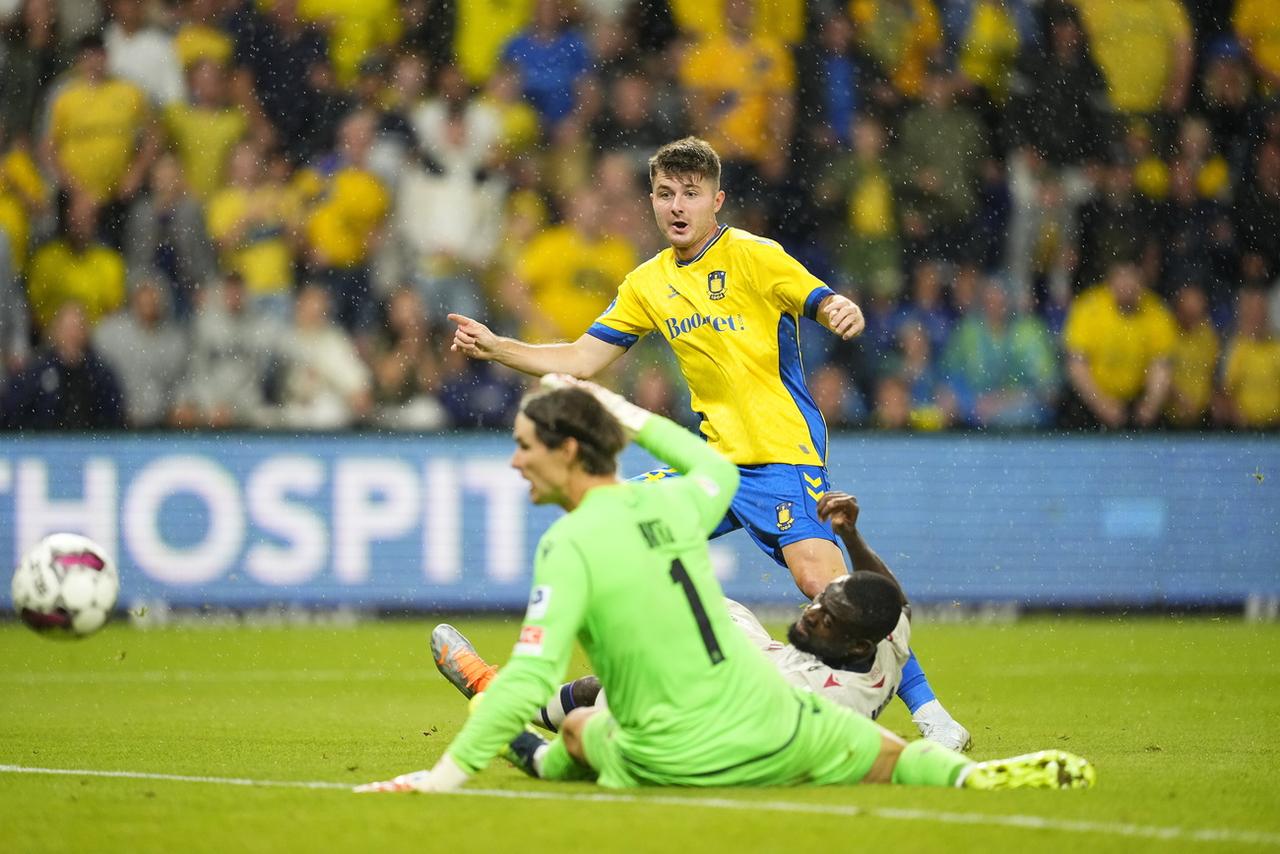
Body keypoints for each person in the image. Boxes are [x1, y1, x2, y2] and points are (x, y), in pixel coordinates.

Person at [449, 136, 968, 748]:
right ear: (651, 200)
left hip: (782, 456)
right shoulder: (648, 283)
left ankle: (935, 719)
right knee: (614, 530)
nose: (677, 206)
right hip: (715, 464)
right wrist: (498, 347)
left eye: (691, 194)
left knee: (827, 589)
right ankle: (564, 692)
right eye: (666, 194)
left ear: (716, 200)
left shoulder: (754, 255)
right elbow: (582, 358)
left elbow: (819, 298)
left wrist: (840, 312)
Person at [354, 377, 1094, 794]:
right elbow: (719, 471)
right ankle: (967, 781)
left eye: (522, 448)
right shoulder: (680, 502)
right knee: (892, 758)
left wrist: (444, 774)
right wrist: (626, 411)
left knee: (576, 731)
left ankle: (509, 722)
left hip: (677, 742)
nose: (514, 464)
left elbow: (539, 670)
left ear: (566, 451)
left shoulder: (571, 542)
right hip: (781, 730)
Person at [429, 489, 930, 731]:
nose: (812, 611)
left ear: (857, 645)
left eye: (826, 618)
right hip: (766, 660)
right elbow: (893, 596)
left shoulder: (830, 707)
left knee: (616, 698)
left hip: (737, 700)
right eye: (822, 601)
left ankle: (496, 699)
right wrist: (849, 536)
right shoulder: (885, 632)